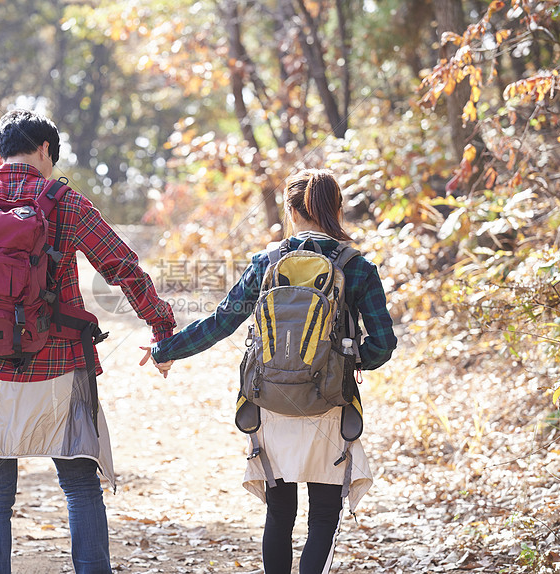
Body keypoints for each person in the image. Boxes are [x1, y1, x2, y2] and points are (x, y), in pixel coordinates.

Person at [0, 109, 176, 574]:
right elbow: (122, 267)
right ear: (46, 151)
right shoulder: (66, 202)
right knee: (80, 485)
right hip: (59, 365)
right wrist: (161, 326)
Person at [140, 168, 396, 573]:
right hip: (330, 405)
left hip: (270, 402)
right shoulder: (357, 266)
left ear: (292, 211)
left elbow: (223, 322)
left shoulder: (268, 261)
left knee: (279, 514)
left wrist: (165, 349)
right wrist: (348, 361)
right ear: (336, 209)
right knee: (324, 516)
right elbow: (383, 344)